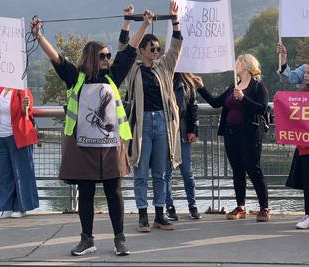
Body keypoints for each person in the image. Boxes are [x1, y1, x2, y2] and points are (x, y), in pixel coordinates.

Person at [30, 5, 153, 256]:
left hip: (110, 144)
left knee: (114, 192)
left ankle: (119, 239)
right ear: (91, 58)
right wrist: (39, 36)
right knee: (85, 193)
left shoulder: (113, 77)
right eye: (103, 55)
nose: (107, 59)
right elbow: (57, 58)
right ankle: (87, 239)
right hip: (82, 144)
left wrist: (144, 25)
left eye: (108, 55)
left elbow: (130, 52)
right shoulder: (75, 78)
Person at [119, 0, 182, 232]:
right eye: (152, 48)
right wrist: (128, 21)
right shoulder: (133, 69)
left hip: (163, 123)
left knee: (161, 172)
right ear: (142, 50)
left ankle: (160, 214)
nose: (156, 51)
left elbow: (176, 47)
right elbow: (122, 48)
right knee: (140, 170)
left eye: (158, 47)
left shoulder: (164, 66)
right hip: (142, 124)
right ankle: (142, 216)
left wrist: (175, 20)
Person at [195, 54, 271, 222]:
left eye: (237, 62)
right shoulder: (233, 86)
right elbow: (216, 103)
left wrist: (243, 98)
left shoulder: (258, 86)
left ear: (245, 65)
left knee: (253, 169)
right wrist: (201, 88)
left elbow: (262, 108)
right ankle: (240, 206)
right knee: (237, 170)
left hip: (250, 135)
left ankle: (264, 207)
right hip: (231, 134)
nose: (235, 65)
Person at [0, 87, 39, 219]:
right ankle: (5, 207)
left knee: (21, 173)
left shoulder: (22, 90)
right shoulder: (0, 90)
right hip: (0, 138)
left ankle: (21, 207)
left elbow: (26, 111)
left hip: (18, 137)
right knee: (5, 174)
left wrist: (25, 106)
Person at [164, 72, 202, 221]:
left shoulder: (187, 82)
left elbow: (193, 107)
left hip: (183, 132)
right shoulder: (162, 77)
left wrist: (193, 130)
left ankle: (192, 205)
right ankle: (169, 207)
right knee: (166, 173)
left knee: (187, 172)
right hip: (166, 132)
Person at [285, 64, 309, 229]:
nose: (306, 75)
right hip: (305, 145)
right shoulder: (299, 95)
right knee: (308, 182)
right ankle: (308, 214)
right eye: (306, 72)